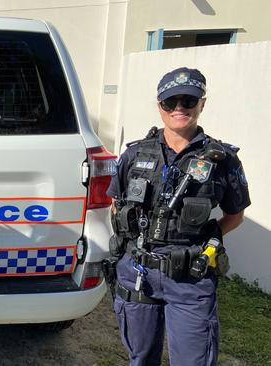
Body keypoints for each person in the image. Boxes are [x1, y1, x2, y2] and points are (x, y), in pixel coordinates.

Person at [105, 67, 251, 366]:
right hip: (138, 273)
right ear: (160, 105)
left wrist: (206, 242)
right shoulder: (134, 154)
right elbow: (116, 204)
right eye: (171, 102)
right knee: (140, 358)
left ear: (202, 104)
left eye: (188, 101)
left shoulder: (222, 159)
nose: (179, 109)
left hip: (190, 278)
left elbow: (235, 215)